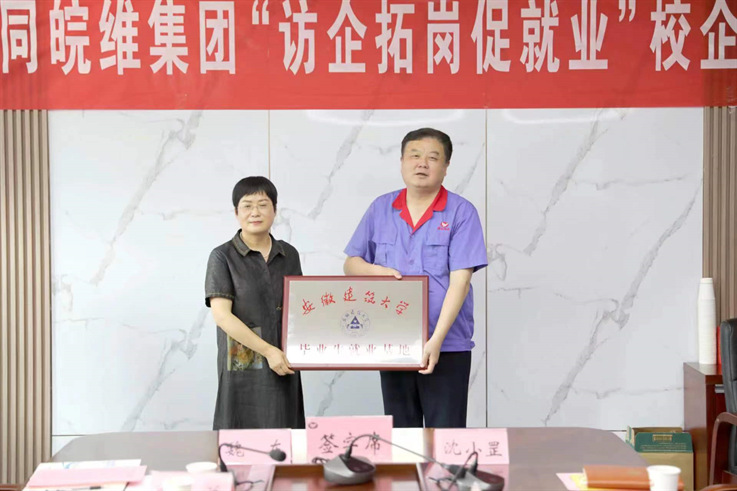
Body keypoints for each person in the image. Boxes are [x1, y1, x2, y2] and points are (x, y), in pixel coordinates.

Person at [343, 128, 487, 428]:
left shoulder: (461, 212)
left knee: (446, 436)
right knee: (401, 435)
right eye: (414, 156)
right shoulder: (381, 208)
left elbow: (460, 282)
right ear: (401, 162)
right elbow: (351, 264)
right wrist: (377, 271)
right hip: (392, 341)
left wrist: (436, 340)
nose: (422, 163)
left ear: (446, 167)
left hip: (446, 345)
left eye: (433, 157)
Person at [205, 176, 305, 429]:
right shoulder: (222, 256)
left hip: (284, 357)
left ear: (275, 210)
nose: (255, 212)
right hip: (242, 357)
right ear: (236, 212)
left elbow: (301, 307)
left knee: (284, 429)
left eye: (263, 205)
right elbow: (222, 316)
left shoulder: (289, 254)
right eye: (247, 205)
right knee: (240, 430)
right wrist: (268, 351)